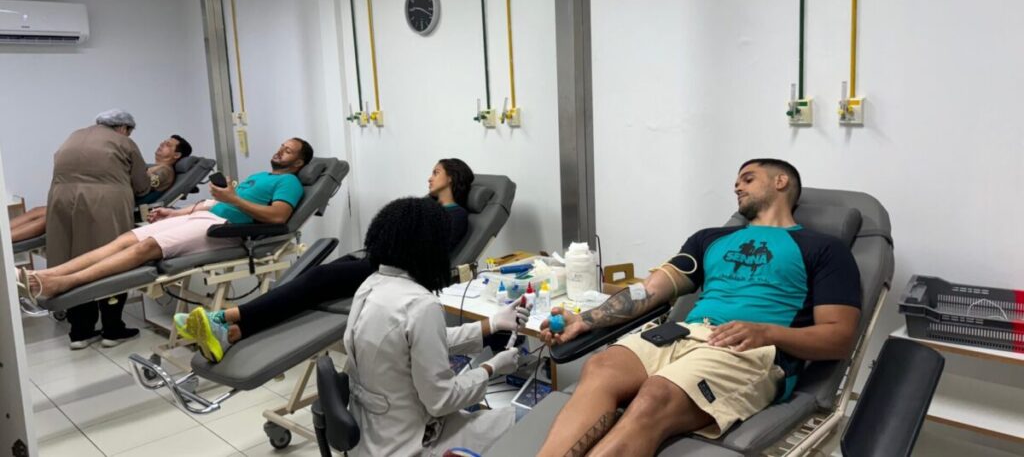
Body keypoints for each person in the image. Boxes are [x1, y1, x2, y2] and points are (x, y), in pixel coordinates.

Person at [535, 159, 862, 457]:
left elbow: (839, 338)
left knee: (654, 396)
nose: (737, 187)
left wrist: (766, 332)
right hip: (681, 334)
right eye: (736, 183)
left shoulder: (824, 249)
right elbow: (649, 290)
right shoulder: (709, 238)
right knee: (601, 367)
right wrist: (584, 320)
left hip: (750, 349)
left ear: (781, 182)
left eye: (748, 179)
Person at [177, 158, 476, 363]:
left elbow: (434, 251)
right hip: (378, 260)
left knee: (317, 279)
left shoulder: (457, 215)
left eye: (436, 172)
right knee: (309, 285)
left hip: (397, 272)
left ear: (451, 178)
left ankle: (224, 317)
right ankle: (233, 333)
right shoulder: (421, 207)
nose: (429, 177)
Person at [18, 138, 313, 315]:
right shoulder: (259, 176)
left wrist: (233, 198)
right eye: (281, 147)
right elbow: (214, 203)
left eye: (288, 151)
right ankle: (47, 274)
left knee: (146, 249)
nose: (280, 151)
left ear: (299, 163)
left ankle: (63, 284)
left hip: (225, 230)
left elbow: (277, 217)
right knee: (124, 240)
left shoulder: (289, 182)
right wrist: (174, 213)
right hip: (205, 217)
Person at [351, 197, 527, 456]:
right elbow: (441, 401)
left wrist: (492, 323)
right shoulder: (421, 305)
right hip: (413, 444)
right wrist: (492, 367)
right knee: (527, 420)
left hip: (374, 434)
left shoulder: (370, 286)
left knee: (475, 408)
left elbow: (417, 344)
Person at [39, 109, 152, 348]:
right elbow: (142, 185)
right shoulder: (124, 142)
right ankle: (112, 329)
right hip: (102, 204)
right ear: (123, 128)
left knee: (71, 262)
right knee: (111, 263)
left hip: (61, 202)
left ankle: (80, 332)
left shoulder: (73, 136)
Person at [10, 134, 193, 243]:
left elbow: (139, 186)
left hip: (111, 209)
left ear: (177, 155)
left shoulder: (165, 172)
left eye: (168, 145)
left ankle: (6, 241)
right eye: (163, 142)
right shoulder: (152, 167)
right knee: (38, 211)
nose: (162, 144)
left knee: (49, 218)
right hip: (102, 201)